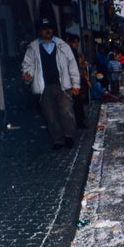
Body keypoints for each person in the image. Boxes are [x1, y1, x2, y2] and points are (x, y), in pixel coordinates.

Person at [22, 18, 80, 150]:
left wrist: (76, 84)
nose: (47, 31)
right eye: (44, 28)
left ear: (52, 29)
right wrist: (27, 75)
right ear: (40, 31)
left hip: (63, 85)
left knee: (66, 111)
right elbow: (28, 65)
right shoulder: (33, 48)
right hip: (45, 87)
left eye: (49, 28)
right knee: (51, 115)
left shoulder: (63, 46)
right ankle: (58, 140)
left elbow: (72, 65)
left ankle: (68, 135)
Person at [65, 33, 90, 128]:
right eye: (74, 42)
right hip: (73, 81)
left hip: (77, 80)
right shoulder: (70, 53)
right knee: (76, 103)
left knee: (78, 102)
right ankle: (78, 122)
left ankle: (79, 121)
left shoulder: (75, 52)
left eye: (77, 42)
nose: (76, 44)